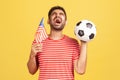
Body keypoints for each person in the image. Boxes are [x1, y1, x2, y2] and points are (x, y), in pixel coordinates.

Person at [27, 6, 87, 80]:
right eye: (54, 14)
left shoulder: (73, 43)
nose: (57, 15)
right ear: (48, 21)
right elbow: (31, 71)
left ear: (65, 22)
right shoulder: (39, 41)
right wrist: (32, 55)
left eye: (61, 14)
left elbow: (80, 70)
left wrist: (84, 43)